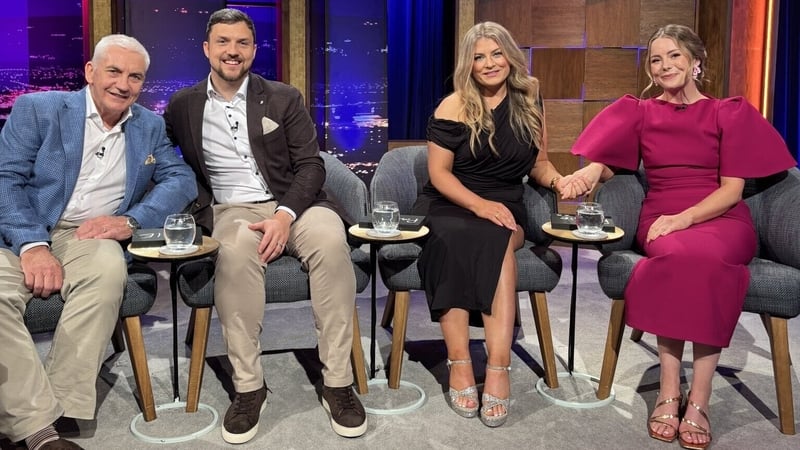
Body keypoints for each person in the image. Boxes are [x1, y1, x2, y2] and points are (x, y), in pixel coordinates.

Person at [566, 24, 796, 450]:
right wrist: (592, 170)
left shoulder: (726, 112)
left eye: (674, 56)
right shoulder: (641, 112)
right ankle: (670, 390)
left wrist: (684, 219)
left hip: (720, 217)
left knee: (705, 260)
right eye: (656, 59)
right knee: (677, 258)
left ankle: (699, 399)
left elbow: (731, 190)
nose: (664, 65)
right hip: (661, 214)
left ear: (695, 63)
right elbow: (615, 159)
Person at [162, 8, 366, 443]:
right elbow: (158, 153)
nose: (232, 51)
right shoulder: (183, 105)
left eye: (241, 43)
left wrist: (284, 215)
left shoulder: (282, 97)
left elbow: (311, 165)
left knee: (331, 243)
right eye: (223, 42)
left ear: (254, 51)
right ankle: (249, 387)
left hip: (296, 204)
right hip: (231, 209)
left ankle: (338, 382)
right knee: (235, 253)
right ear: (207, 49)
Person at [0, 35, 197, 450]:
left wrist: (131, 220)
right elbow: (5, 179)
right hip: (20, 232)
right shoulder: (39, 109)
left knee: (109, 269)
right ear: (90, 72)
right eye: (114, 71)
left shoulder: (148, 125)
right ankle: (37, 428)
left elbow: (180, 178)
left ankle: (57, 411)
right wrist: (33, 245)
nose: (123, 85)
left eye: (135, 77)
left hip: (88, 236)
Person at [412, 21, 585, 428]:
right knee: (454, 238)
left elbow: (539, 163)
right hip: (452, 201)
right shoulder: (453, 105)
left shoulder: (530, 97)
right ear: (468, 65)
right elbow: (439, 174)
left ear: (510, 56)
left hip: (506, 204)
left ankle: (497, 367)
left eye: (496, 53)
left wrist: (559, 181)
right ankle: (459, 362)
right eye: (479, 57)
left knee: (497, 235)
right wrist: (479, 205)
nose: (489, 63)